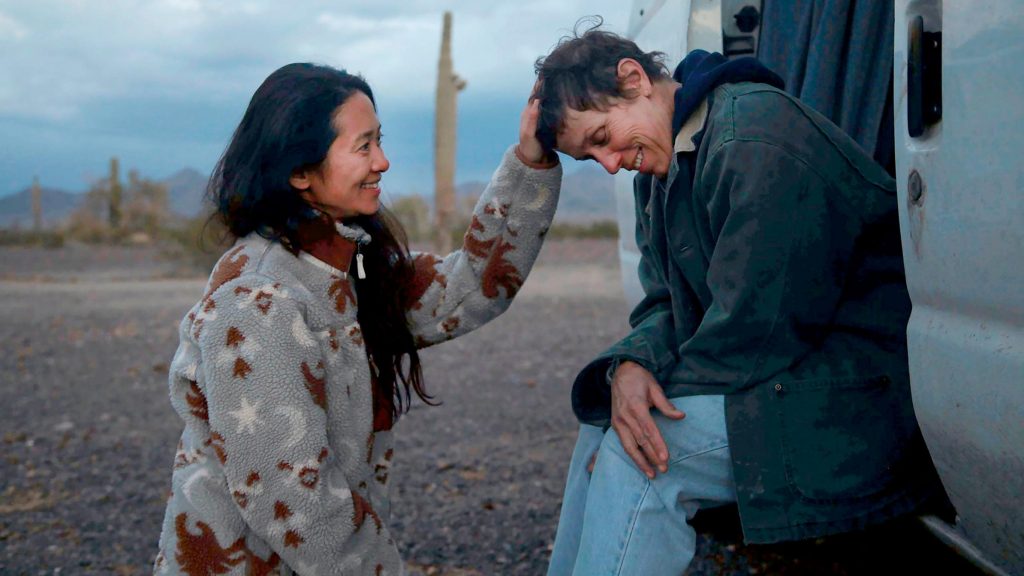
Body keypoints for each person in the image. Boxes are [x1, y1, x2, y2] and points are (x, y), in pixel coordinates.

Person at [534, 25, 948, 575]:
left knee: (639, 453)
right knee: (606, 425)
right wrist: (632, 365)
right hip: (785, 373)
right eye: (591, 156)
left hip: (862, 393)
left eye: (603, 136)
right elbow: (664, 300)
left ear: (634, 79)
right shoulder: (662, 165)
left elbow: (758, 330)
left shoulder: (753, 137)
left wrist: (642, 393)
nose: (610, 163)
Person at [153, 63, 560, 575]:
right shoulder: (257, 301)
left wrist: (531, 160)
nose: (383, 162)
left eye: (380, 141)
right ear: (299, 171)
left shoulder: (346, 268)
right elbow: (298, 507)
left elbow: (470, 288)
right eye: (363, 146)